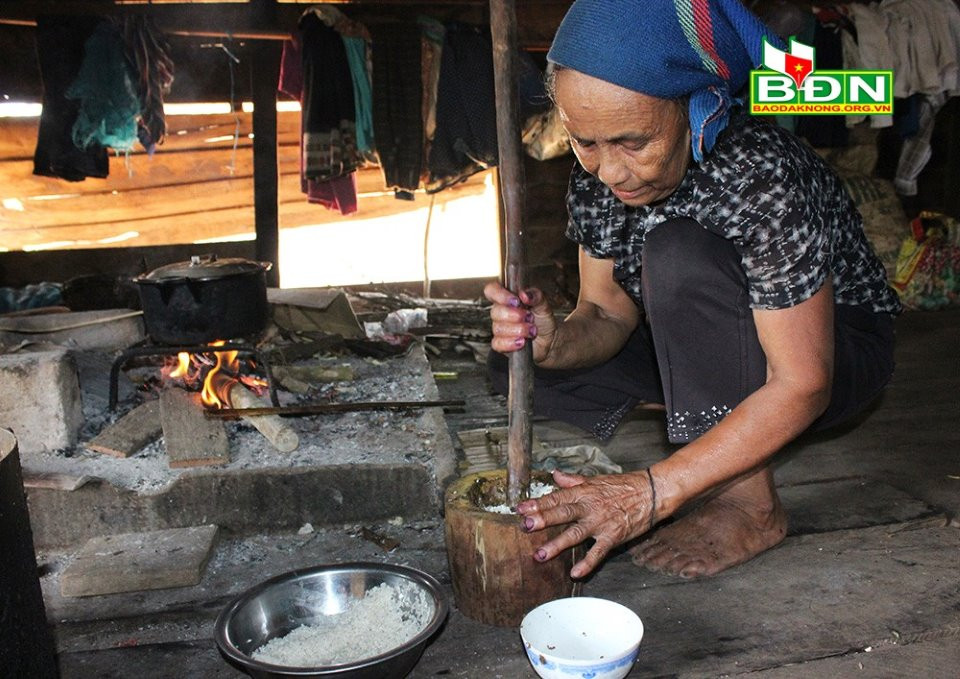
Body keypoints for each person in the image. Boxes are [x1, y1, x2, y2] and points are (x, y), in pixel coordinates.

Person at [484, 0, 901, 581]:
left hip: (831, 357)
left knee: (678, 253)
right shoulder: (599, 175)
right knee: (509, 368)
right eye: (586, 142)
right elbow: (606, 312)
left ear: (695, 110)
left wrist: (652, 493)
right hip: (693, 331)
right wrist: (554, 342)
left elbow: (803, 382)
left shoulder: (758, 175)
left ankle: (749, 505)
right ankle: (710, 412)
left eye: (633, 142)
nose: (610, 171)